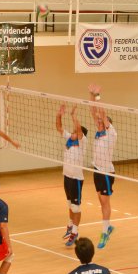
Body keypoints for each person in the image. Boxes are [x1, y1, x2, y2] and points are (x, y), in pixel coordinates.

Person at [89, 84, 117, 249]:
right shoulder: (99, 132)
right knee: (101, 200)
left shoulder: (111, 132)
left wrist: (98, 96)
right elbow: (93, 112)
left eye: (101, 121)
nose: (97, 121)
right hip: (97, 170)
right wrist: (91, 94)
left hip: (107, 172)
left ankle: (105, 231)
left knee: (105, 202)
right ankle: (108, 226)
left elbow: (101, 113)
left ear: (107, 124)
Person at [56, 104, 88, 247]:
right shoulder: (70, 138)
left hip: (76, 178)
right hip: (67, 176)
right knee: (70, 205)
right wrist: (59, 115)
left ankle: (75, 231)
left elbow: (79, 130)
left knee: (76, 207)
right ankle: (70, 226)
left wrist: (73, 115)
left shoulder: (82, 141)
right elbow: (59, 128)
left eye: (75, 130)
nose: (73, 131)